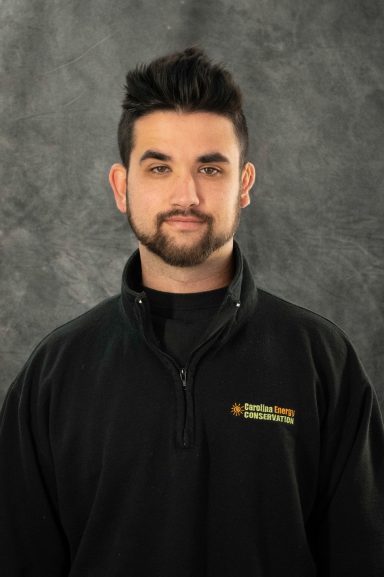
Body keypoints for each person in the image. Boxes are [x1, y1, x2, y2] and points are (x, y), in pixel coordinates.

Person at [0, 47, 383, 577]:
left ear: (243, 185)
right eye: (159, 167)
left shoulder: (322, 360)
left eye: (210, 167)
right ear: (121, 186)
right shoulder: (54, 372)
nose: (187, 194)